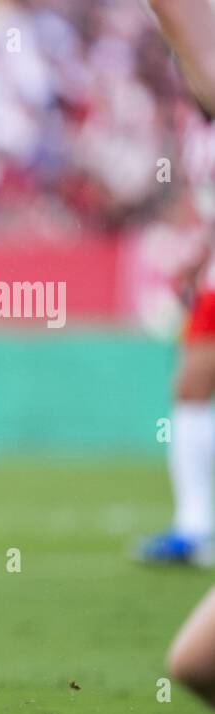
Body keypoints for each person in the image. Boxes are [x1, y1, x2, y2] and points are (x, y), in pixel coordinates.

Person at [139, 0, 215, 567]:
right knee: (190, 389)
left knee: (191, 389)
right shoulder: (199, 129)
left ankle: (196, 525)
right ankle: (195, 526)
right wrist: (198, 254)